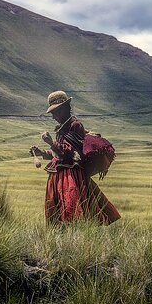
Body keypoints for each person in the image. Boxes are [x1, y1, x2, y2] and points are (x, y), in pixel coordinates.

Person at [30, 91, 121, 225]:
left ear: (65, 108)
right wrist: (41, 152)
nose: (54, 116)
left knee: (71, 210)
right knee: (57, 214)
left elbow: (69, 152)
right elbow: (58, 155)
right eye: (52, 113)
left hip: (70, 175)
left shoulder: (75, 125)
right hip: (59, 174)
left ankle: (75, 237)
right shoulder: (61, 128)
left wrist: (50, 142)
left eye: (56, 112)